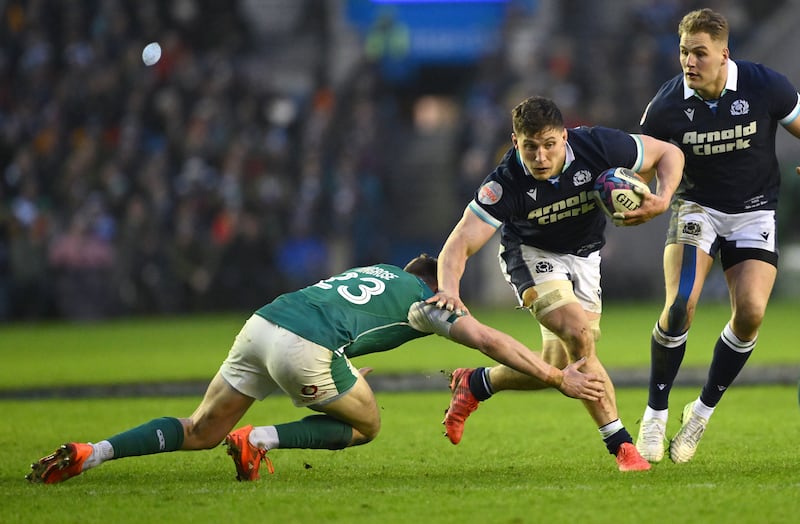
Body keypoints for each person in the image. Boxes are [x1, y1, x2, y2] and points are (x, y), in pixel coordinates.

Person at [27, 254, 605, 484]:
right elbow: (489, 340)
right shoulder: (430, 300)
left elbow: (346, 317)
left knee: (198, 429)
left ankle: (91, 452)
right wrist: (560, 377)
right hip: (304, 345)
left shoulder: (375, 271)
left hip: (262, 325)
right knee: (368, 425)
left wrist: (341, 364)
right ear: (438, 284)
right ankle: (259, 439)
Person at [429, 95, 685, 472]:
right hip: (531, 255)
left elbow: (669, 154)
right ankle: (621, 445)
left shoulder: (597, 146)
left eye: (549, 145)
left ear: (564, 137)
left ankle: (477, 383)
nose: (541, 157)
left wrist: (662, 200)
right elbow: (460, 242)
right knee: (579, 336)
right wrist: (449, 289)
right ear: (516, 143)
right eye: (530, 147)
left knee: (557, 364)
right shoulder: (505, 183)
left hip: (584, 255)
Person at [635, 8, 800, 464]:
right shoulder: (667, 105)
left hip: (753, 211)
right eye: (684, 51)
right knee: (679, 305)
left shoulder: (765, 84)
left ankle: (701, 413)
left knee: (750, 313)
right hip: (697, 208)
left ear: (724, 53)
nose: (689, 61)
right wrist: (642, 195)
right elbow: (642, 160)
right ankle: (654, 412)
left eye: (699, 53)